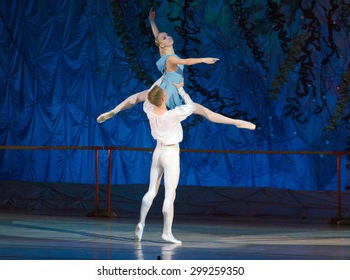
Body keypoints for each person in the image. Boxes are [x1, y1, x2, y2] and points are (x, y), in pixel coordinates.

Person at [97, 8, 256, 130]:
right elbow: (185, 61)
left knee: (136, 98)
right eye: (165, 38)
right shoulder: (171, 58)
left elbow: (156, 36)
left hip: (165, 85)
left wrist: (152, 21)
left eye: (167, 35)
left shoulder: (164, 51)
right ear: (162, 44)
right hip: (171, 89)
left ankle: (113, 111)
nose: (168, 37)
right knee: (205, 112)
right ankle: (236, 122)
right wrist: (203, 60)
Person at [134, 80, 193, 244]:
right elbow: (191, 106)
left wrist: (161, 79)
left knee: (152, 190)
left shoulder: (149, 111)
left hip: (158, 151)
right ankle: (167, 233)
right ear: (163, 98)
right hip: (171, 153)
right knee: (169, 194)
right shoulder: (172, 114)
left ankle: (141, 223)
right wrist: (181, 90)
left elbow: (149, 96)